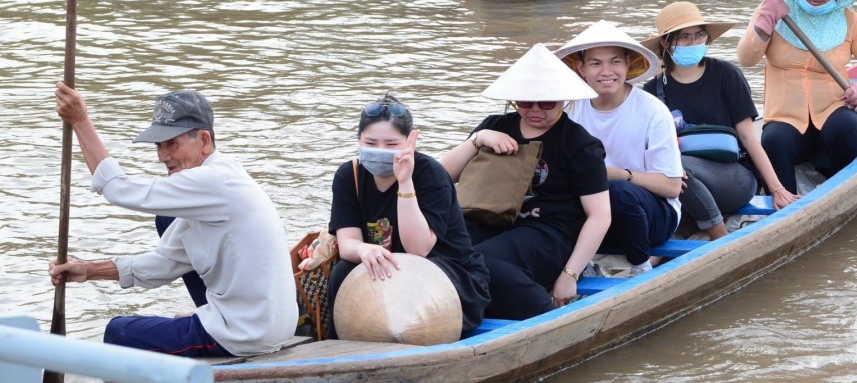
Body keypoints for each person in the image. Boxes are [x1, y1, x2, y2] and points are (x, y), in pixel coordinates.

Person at [49, 85, 297, 358]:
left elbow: (117, 188)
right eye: (159, 145)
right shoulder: (218, 181)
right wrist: (89, 270)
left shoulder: (213, 181)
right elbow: (163, 264)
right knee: (167, 219)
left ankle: (211, 330)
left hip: (247, 333)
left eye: (172, 144)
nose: (163, 156)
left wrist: (80, 120)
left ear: (204, 140)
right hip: (268, 325)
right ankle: (208, 317)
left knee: (118, 332)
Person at [441, 44, 611, 320]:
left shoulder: (579, 144)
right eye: (525, 102)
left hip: (550, 229)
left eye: (546, 103)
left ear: (562, 100)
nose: (535, 110)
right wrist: (478, 139)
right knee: (446, 248)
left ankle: (541, 312)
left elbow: (600, 215)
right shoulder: (495, 125)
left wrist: (570, 273)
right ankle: (463, 311)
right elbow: (442, 178)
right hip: (490, 217)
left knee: (485, 260)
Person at [325, 95, 490, 339]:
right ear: (359, 140)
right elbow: (347, 241)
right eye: (371, 142)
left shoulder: (431, 174)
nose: (380, 151)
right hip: (387, 270)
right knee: (343, 271)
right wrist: (363, 250)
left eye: (391, 144)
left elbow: (418, 250)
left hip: (443, 270)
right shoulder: (349, 175)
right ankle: (338, 348)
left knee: (412, 279)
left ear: (409, 142)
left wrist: (405, 181)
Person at [736, 0, 857, 193]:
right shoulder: (775, 10)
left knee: (848, 129)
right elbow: (746, 58)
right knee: (774, 141)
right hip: (786, 118)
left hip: (834, 110)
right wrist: (764, 24)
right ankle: (785, 205)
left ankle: (842, 188)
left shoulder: (853, 22)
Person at [641, 2, 800, 240]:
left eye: (699, 36)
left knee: (677, 166)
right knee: (664, 169)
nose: (693, 43)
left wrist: (777, 189)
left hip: (734, 174)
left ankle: (721, 237)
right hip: (681, 180)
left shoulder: (725, 74)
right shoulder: (653, 89)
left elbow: (748, 136)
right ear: (665, 42)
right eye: (683, 38)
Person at [554, 21, 684, 275]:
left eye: (615, 62)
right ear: (581, 68)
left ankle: (641, 267)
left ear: (627, 65)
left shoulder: (652, 110)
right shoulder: (569, 109)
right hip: (590, 210)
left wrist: (621, 174)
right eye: (595, 63)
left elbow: (672, 186)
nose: (606, 71)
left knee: (617, 191)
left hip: (651, 215)